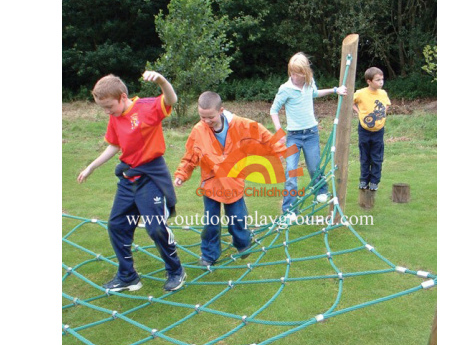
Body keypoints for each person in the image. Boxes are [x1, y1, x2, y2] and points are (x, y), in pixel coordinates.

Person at [77, 71, 186, 292]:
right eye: (103, 108)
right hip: (128, 177)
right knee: (116, 225)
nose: (107, 112)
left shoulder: (147, 107)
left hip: (151, 177)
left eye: (109, 106)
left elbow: (171, 100)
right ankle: (128, 276)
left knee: (155, 228)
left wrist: (162, 82)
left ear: (123, 96)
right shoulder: (114, 118)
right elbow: (114, 145)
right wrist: (91, 166)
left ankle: (176, 271)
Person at [174, 91, 286, 266]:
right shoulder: (199, 130)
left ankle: (243, 244)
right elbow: (190, 156)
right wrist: (182, 174)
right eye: (202, 117)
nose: (206, 121)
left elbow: (262, 136)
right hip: (211, 183)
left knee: (237, 219)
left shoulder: (239, 125)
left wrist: (279, 149)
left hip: (233, 181)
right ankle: (209, 256)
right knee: (211, 224)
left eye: (210, 117)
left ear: (221, 111)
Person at [270, 52, 347, 216]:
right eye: (294, 72)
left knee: (314, 167)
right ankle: (289, 210)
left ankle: (321, 190)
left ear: (306, 72)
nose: (297, 76)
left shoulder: (309, 83)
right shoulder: (285, 89)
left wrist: (335, 90)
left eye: (300, 73)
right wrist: (279, 130)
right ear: (290, 71)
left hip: (311, 134)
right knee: (291, 172)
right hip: (293, 137)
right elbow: (273, 110)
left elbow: (314, 93)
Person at [352, 67, 391, 191]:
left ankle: (374, 181)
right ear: (369, 81)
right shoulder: (360, 93)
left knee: (376, 157)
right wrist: (359, 112)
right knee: (365, 156)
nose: (381, 82)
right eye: (378, 80)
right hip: (364, 130)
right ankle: (364, 180)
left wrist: (382, 115)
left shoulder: (383, 93)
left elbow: (387, 105)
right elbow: (350, 102)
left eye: (382, 79)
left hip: (378, 131)